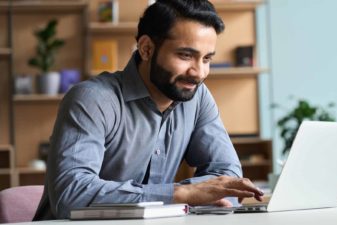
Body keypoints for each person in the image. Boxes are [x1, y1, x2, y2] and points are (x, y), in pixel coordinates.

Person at [33, 0, 263, 220]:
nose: (199, 72)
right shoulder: (92, 100)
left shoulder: (197, 97)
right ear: (146, 49)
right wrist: (181, 195)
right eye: (185, 55)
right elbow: (71, 194)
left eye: (206, 59)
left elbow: (228, 178)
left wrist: (200, 194)